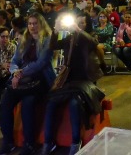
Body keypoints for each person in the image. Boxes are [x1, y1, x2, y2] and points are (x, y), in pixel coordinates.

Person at [41, 14, 105, 155]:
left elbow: (93, 43)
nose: (80, 25)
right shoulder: (70, 38)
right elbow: (53, 45)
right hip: (69, 80)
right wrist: (56, 29)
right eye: (78, 22)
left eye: (83, 23)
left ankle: (76, 142)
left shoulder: (88, 36)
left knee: (74, 103)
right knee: (51, 103)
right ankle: (48, 142)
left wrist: (78, 30)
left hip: (85, 81)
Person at [0, 13, 54, 155]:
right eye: (30, 24)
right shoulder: (24, 40)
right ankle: (8, 141)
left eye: (35, 23)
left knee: (28, 104)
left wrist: (20, 73)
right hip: (22, 81)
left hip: (40, 80)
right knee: (5, 103)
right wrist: (15, 72)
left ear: (41, 24)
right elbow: (14, 61)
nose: (32, 26)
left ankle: (29, 144)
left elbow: (41, 63)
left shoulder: (48, 40)